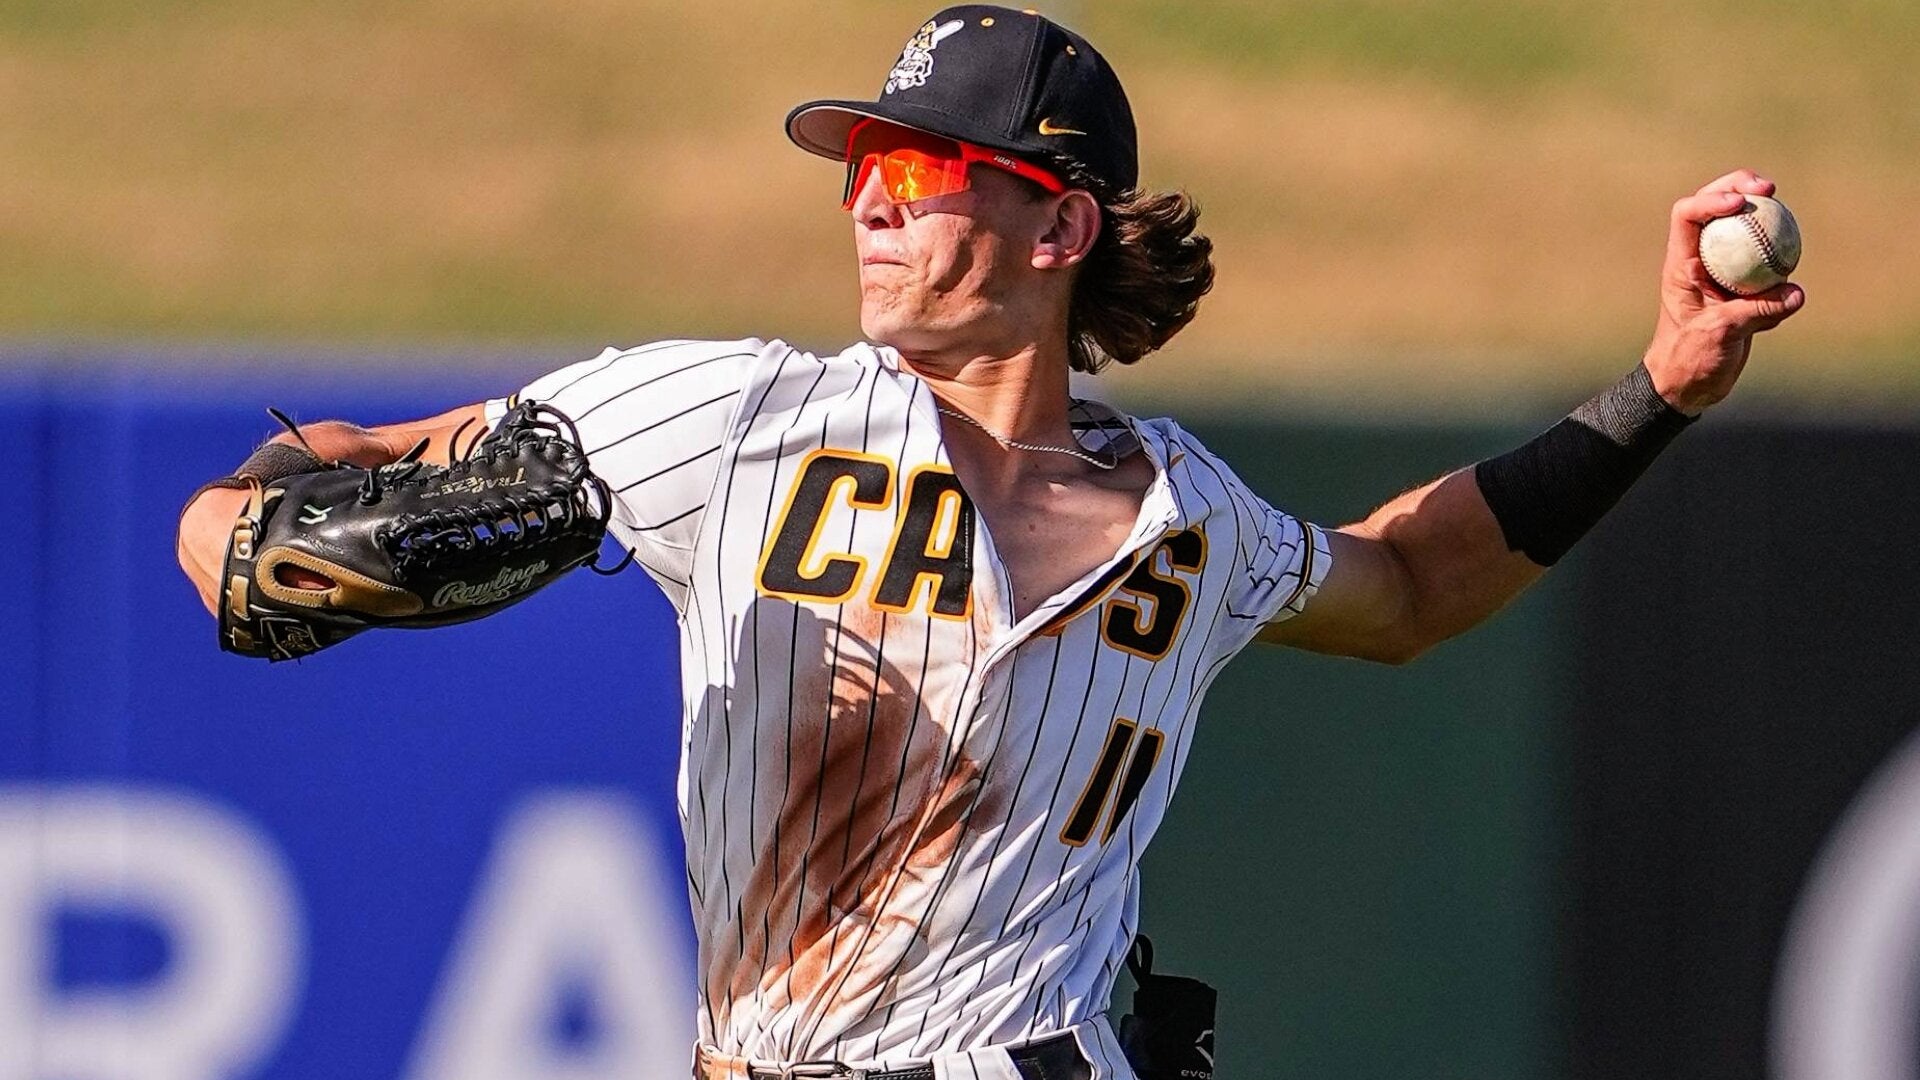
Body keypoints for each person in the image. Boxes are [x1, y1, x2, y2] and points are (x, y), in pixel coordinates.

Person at [174, 6, 1805, 1077]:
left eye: (922, 165)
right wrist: (247, 532)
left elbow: (1414, 585)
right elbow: (304, 485)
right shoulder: (731, 416)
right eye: (861, 170)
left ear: (1060, 222)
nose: (872, 201)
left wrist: (1664, 386)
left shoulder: (1187, 518)